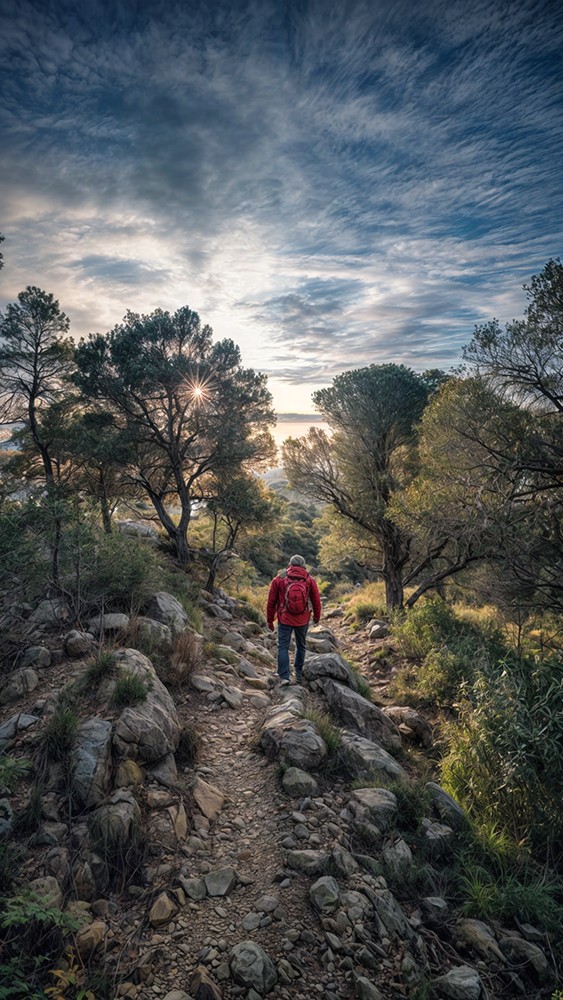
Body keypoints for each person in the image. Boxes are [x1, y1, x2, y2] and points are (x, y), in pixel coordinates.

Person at [266, 554, 322, 686]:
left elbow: (271, 602)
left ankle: (284, 676)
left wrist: (270, 620)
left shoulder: (279, 579)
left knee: (283, 647)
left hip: (284, 618)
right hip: (303, 619)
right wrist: (316, 617)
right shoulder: (309, 579)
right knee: (301, 645)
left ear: (290, 564)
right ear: (303, 565)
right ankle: (298, 674)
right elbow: (316, 601)